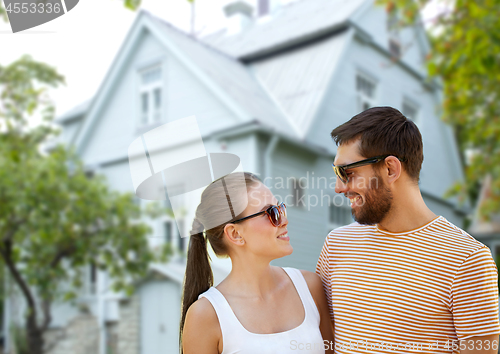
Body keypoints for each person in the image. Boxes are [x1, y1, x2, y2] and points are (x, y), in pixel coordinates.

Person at [317, 106, 500, 353]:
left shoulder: (468, 259)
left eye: (347, 172)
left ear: (390, 169)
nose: (339, 187)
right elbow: (325, 339)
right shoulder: (337, 244)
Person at [180, 172, 334, 354]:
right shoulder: (205, 315)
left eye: (280, 208)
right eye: (271, 213)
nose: (284, 220)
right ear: (235, 234)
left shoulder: (310, 287)